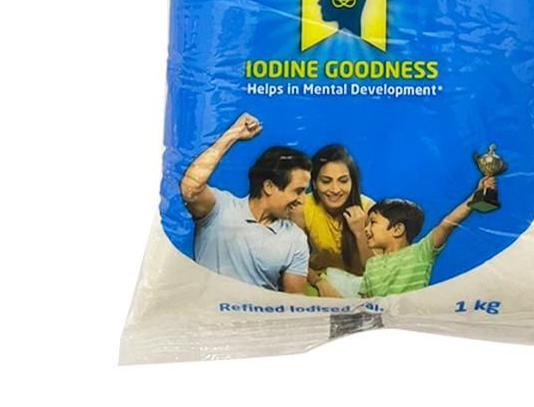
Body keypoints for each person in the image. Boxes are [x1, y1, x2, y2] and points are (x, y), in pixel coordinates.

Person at [179, 112, 312, 293]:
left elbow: (294, 300)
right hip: (208, 309)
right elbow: (190, 187)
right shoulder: (221, 209)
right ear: (269, 187)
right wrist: (232, 135)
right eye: (298, 191)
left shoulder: (295, 239)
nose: (302, 200)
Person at [315, 177, 495, 299]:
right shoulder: (372, 264)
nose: (366, 228)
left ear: (397, 229)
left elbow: (446, 224)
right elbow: (365, 301)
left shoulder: (420, 253)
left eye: (373, 223)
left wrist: (475, 197)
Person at [291, 145, 375, 284]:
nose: (335, 189)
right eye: (326, 181)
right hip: (318, 279)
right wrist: (319, 283)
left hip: (359, 285)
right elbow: (293, 260)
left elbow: (376, 271)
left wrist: (360, 232)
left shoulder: (368, 210)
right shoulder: (301, 208)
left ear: (352, 183)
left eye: (343, 181)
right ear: (314, 183)